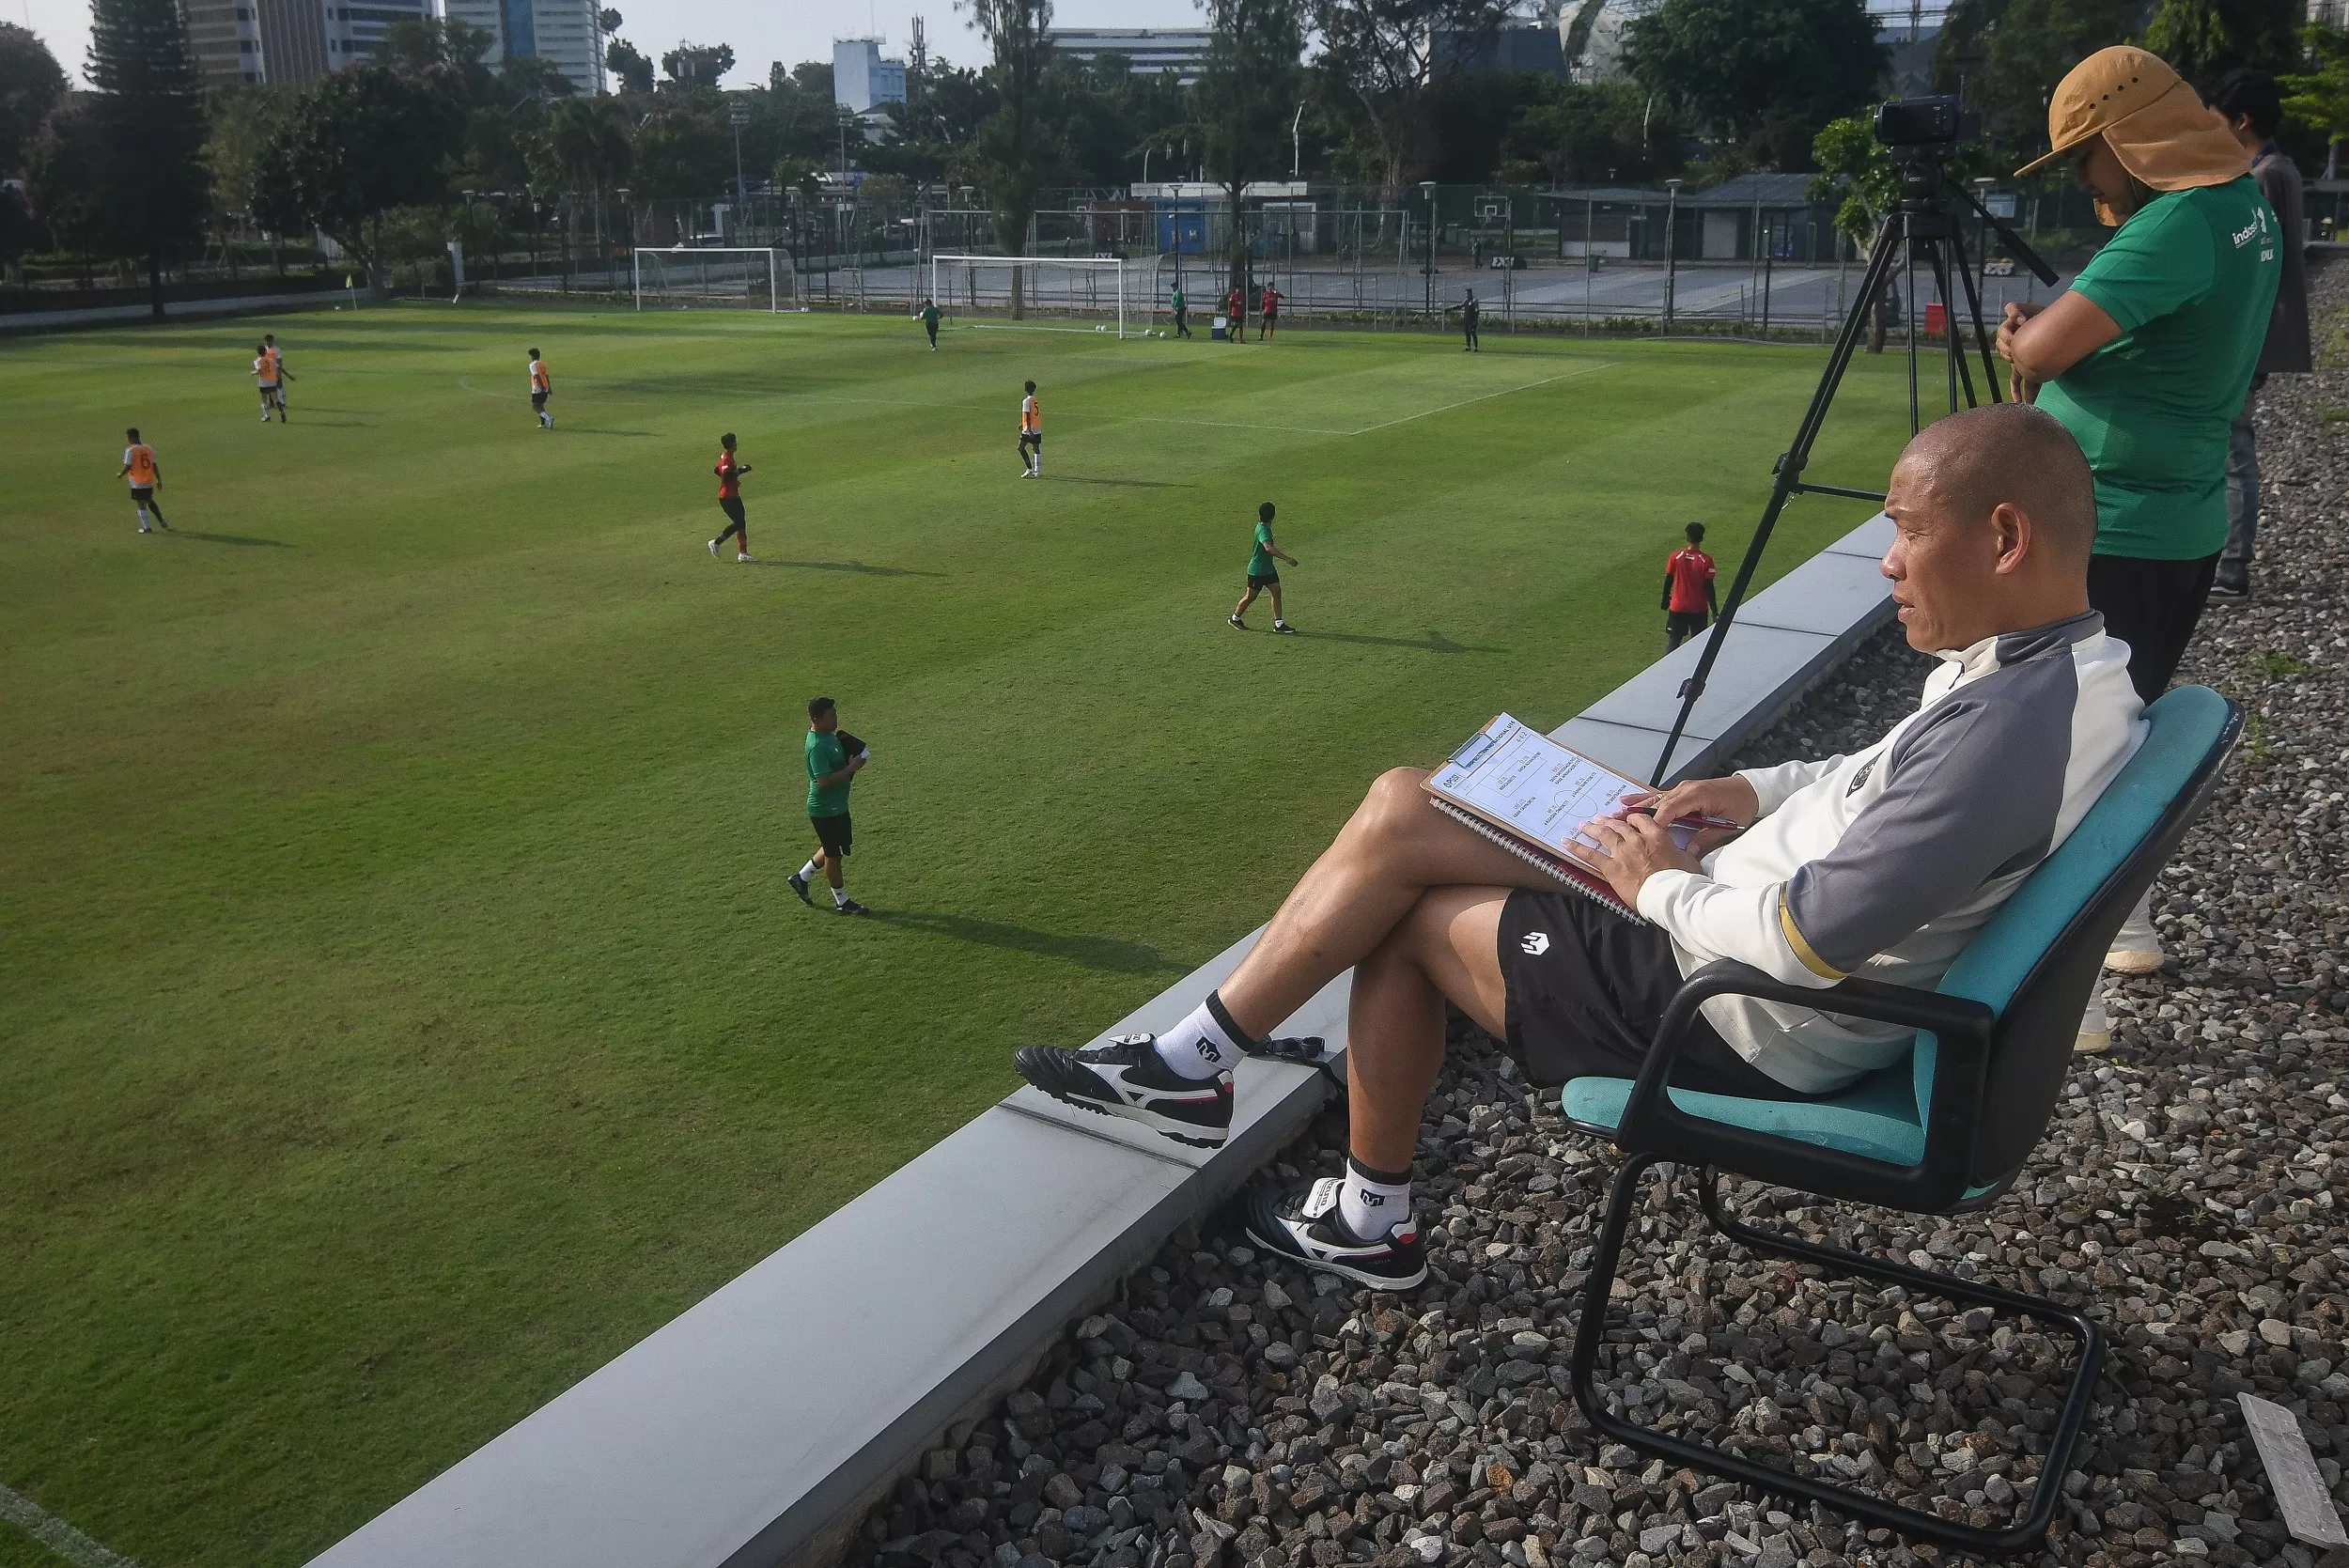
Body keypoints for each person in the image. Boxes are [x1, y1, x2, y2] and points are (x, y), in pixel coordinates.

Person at [1017, 404, 2144, 1285]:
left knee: (1404, 899)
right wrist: (1742, 790)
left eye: (1904, 531)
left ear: (2003, 536)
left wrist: (1653, 885)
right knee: (1412, 799)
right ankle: (1216, 1082)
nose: (1886, 561)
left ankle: (1307, 1164)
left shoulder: (2009, 726)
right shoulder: (2058, 672)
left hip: (1735, 997)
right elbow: (1864, 780)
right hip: (1722, 902)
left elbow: (1806, 944)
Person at [1997, 45, 2277, 999]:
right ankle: (2124, 925)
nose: (2081, 178)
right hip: (2178, 509)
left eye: (2085, 154)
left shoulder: (2179, 222)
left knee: (2067, 757)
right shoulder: (2243, 205)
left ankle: (2064, 984)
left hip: (2114, 519)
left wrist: (2018, 339)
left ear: (2127, 136)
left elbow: (2042, 346)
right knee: (2115, 731)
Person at [2204, 67, 2313, 600]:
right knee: (2230, 446)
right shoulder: (2280, 169)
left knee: (2231, 449)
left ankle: (2230, 567)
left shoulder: (2265, 174)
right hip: (2256, 331)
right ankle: (2226, 561)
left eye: (2218, 120)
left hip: (2248, 333)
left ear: (2242, 120)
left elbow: (2258, 261)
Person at [788, 696, 870, 916]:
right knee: (834, 855)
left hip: (837, 806)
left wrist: (854, 761)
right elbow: (822, 781)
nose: (836, 718)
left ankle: (801, 877)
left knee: (834, 847)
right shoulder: (816, 746)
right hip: (825, 809)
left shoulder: (829, 736)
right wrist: (851, 767)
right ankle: (841, 901)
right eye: (831, 715)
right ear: (817, 719)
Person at [1229, 501, 1298, 634]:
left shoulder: (1263, 527)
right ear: (1273, 515)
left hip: (1268, 569)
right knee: (1251, 596)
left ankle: (1279, 623)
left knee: (1276, 591)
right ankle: (1235, 618)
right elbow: (1268, 548)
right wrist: (1287, 559)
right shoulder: (1263, 530)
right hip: (1257, 571)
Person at [1662, 521, 1718, 649]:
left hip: (1678, 607)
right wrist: (1715, 611)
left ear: (1687, 537)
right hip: (1698, 609)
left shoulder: (1675, 557)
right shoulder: (1707, 561)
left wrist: (1665, 598)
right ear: (1701, 538)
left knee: (1673, 644)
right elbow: (1709, 587)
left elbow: (1669, 579)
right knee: (1698, 647)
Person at [708, 432, 754, 562]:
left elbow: (717, 470)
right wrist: (741, 470)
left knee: (741, 522)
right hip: (727, 497)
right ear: (732, 444)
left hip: (732, 494)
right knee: (738, 522)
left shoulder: (725, 456)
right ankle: (716, 543)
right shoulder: (727, 458)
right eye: (735, 441)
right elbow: (726, 476)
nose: (736, 444)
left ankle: (743, 553)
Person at [117, 428, 170, 533]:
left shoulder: (130, 450)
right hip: (148, 480)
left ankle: (146, 528)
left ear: (130, 438)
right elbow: (154, 465)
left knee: (141, 504)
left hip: (137, 482)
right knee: (150, 499)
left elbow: (128, 466)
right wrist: (159, 480)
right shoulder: (148, 448)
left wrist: (121, 475)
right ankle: (161, 521)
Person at [251, 341, 285, 423]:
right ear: (265, 351)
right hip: (272, 382)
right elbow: (278, 367)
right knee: (276, 399)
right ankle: (282, 412)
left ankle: (266, 416)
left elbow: (259, 370)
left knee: (264, 399)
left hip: (263, 383)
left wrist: (253, 372)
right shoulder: (271, 360)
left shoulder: (257, 361)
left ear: (258, 352)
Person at [263, 334, 293, 416]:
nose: (268, 342)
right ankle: (272, 403)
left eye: (269, 341)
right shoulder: (265, 349)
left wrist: (279, 372)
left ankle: (283, 403)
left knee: (280, 386)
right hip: (268, 372)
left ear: (272, 341)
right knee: (268, 388)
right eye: (267, 341)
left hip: (275, 370)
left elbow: (279, 362)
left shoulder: (276, 350)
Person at [1019, 380, 1042, 477]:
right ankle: (1037, 470)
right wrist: (1022, 423)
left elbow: (1028, 416)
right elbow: (1033, 415)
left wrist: (1028, 429)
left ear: (1025, 389)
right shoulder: (1034, 400)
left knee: (1020, 448)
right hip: (1037, 426)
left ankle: (1029, 468)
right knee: (1036, 448)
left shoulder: (1026, 401)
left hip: (1029, 430)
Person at [528, 348, 553, 429]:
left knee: (535, 407)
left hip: (538, 388)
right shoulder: (543, 364)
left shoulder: (533, 365)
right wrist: (549, 387)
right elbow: (546, 376)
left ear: (532, 356)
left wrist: (542, 386)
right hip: (545, 386)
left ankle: (548, 418)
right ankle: (543, 423)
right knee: (541, 406)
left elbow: (536, 376)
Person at [1462, 288, 1481, 352]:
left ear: (1470, 293)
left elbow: (1477, 311)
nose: (1466, 295)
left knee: (1473, 333)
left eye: (1467, 293)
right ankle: (1468, 346)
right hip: (1466, 320)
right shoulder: (1466, 300)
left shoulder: (1474, 301)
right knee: (1467, 333)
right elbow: (1460, 306)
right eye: (1465, 293)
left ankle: (1476, 347)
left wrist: (1475, 320)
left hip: (1472, 320)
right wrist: (1450, 309)